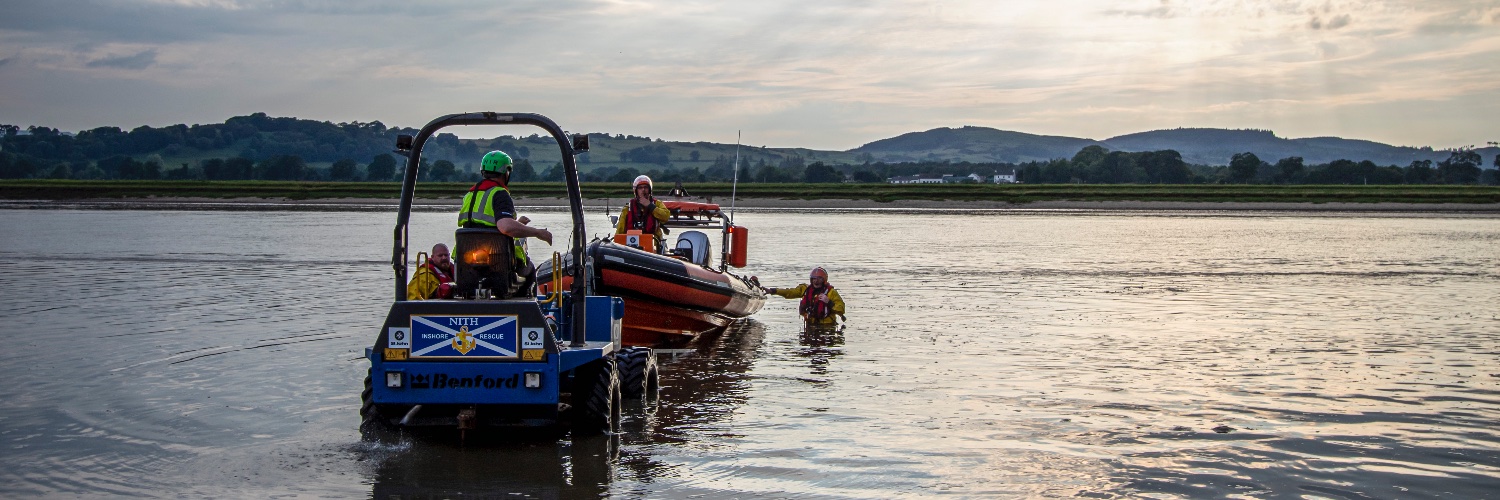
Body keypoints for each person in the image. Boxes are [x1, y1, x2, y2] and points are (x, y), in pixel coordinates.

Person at [458, 150, 553, 291]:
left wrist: (518, 224)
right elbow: (505, 227)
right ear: (506, 172)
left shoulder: (469, 195)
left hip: (464, 263)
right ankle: (522, 309)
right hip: (496, 262)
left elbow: (483, 224)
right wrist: (538, 232)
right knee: (530, 270)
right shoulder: (499, 193)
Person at [765, 267, 846, 327]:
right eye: (814, 279)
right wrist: (773, 291)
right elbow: (790, 293)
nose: (816, 281)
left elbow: (841, 310)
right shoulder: (805, 289)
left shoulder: (831, 293)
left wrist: (829, 302)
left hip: (827, 326)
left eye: (819, 279)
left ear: (824, 280)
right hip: (810, 325)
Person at [614, 175, 670, 241]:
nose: (643, 190)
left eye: (646, 187)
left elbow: (665, 217)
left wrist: (650, 206)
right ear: (636, 191)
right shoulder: (628, 208)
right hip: (631, 243)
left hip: (653, 242)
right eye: (640, 188)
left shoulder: (657, 204)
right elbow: (620, 230)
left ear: (649, 189)